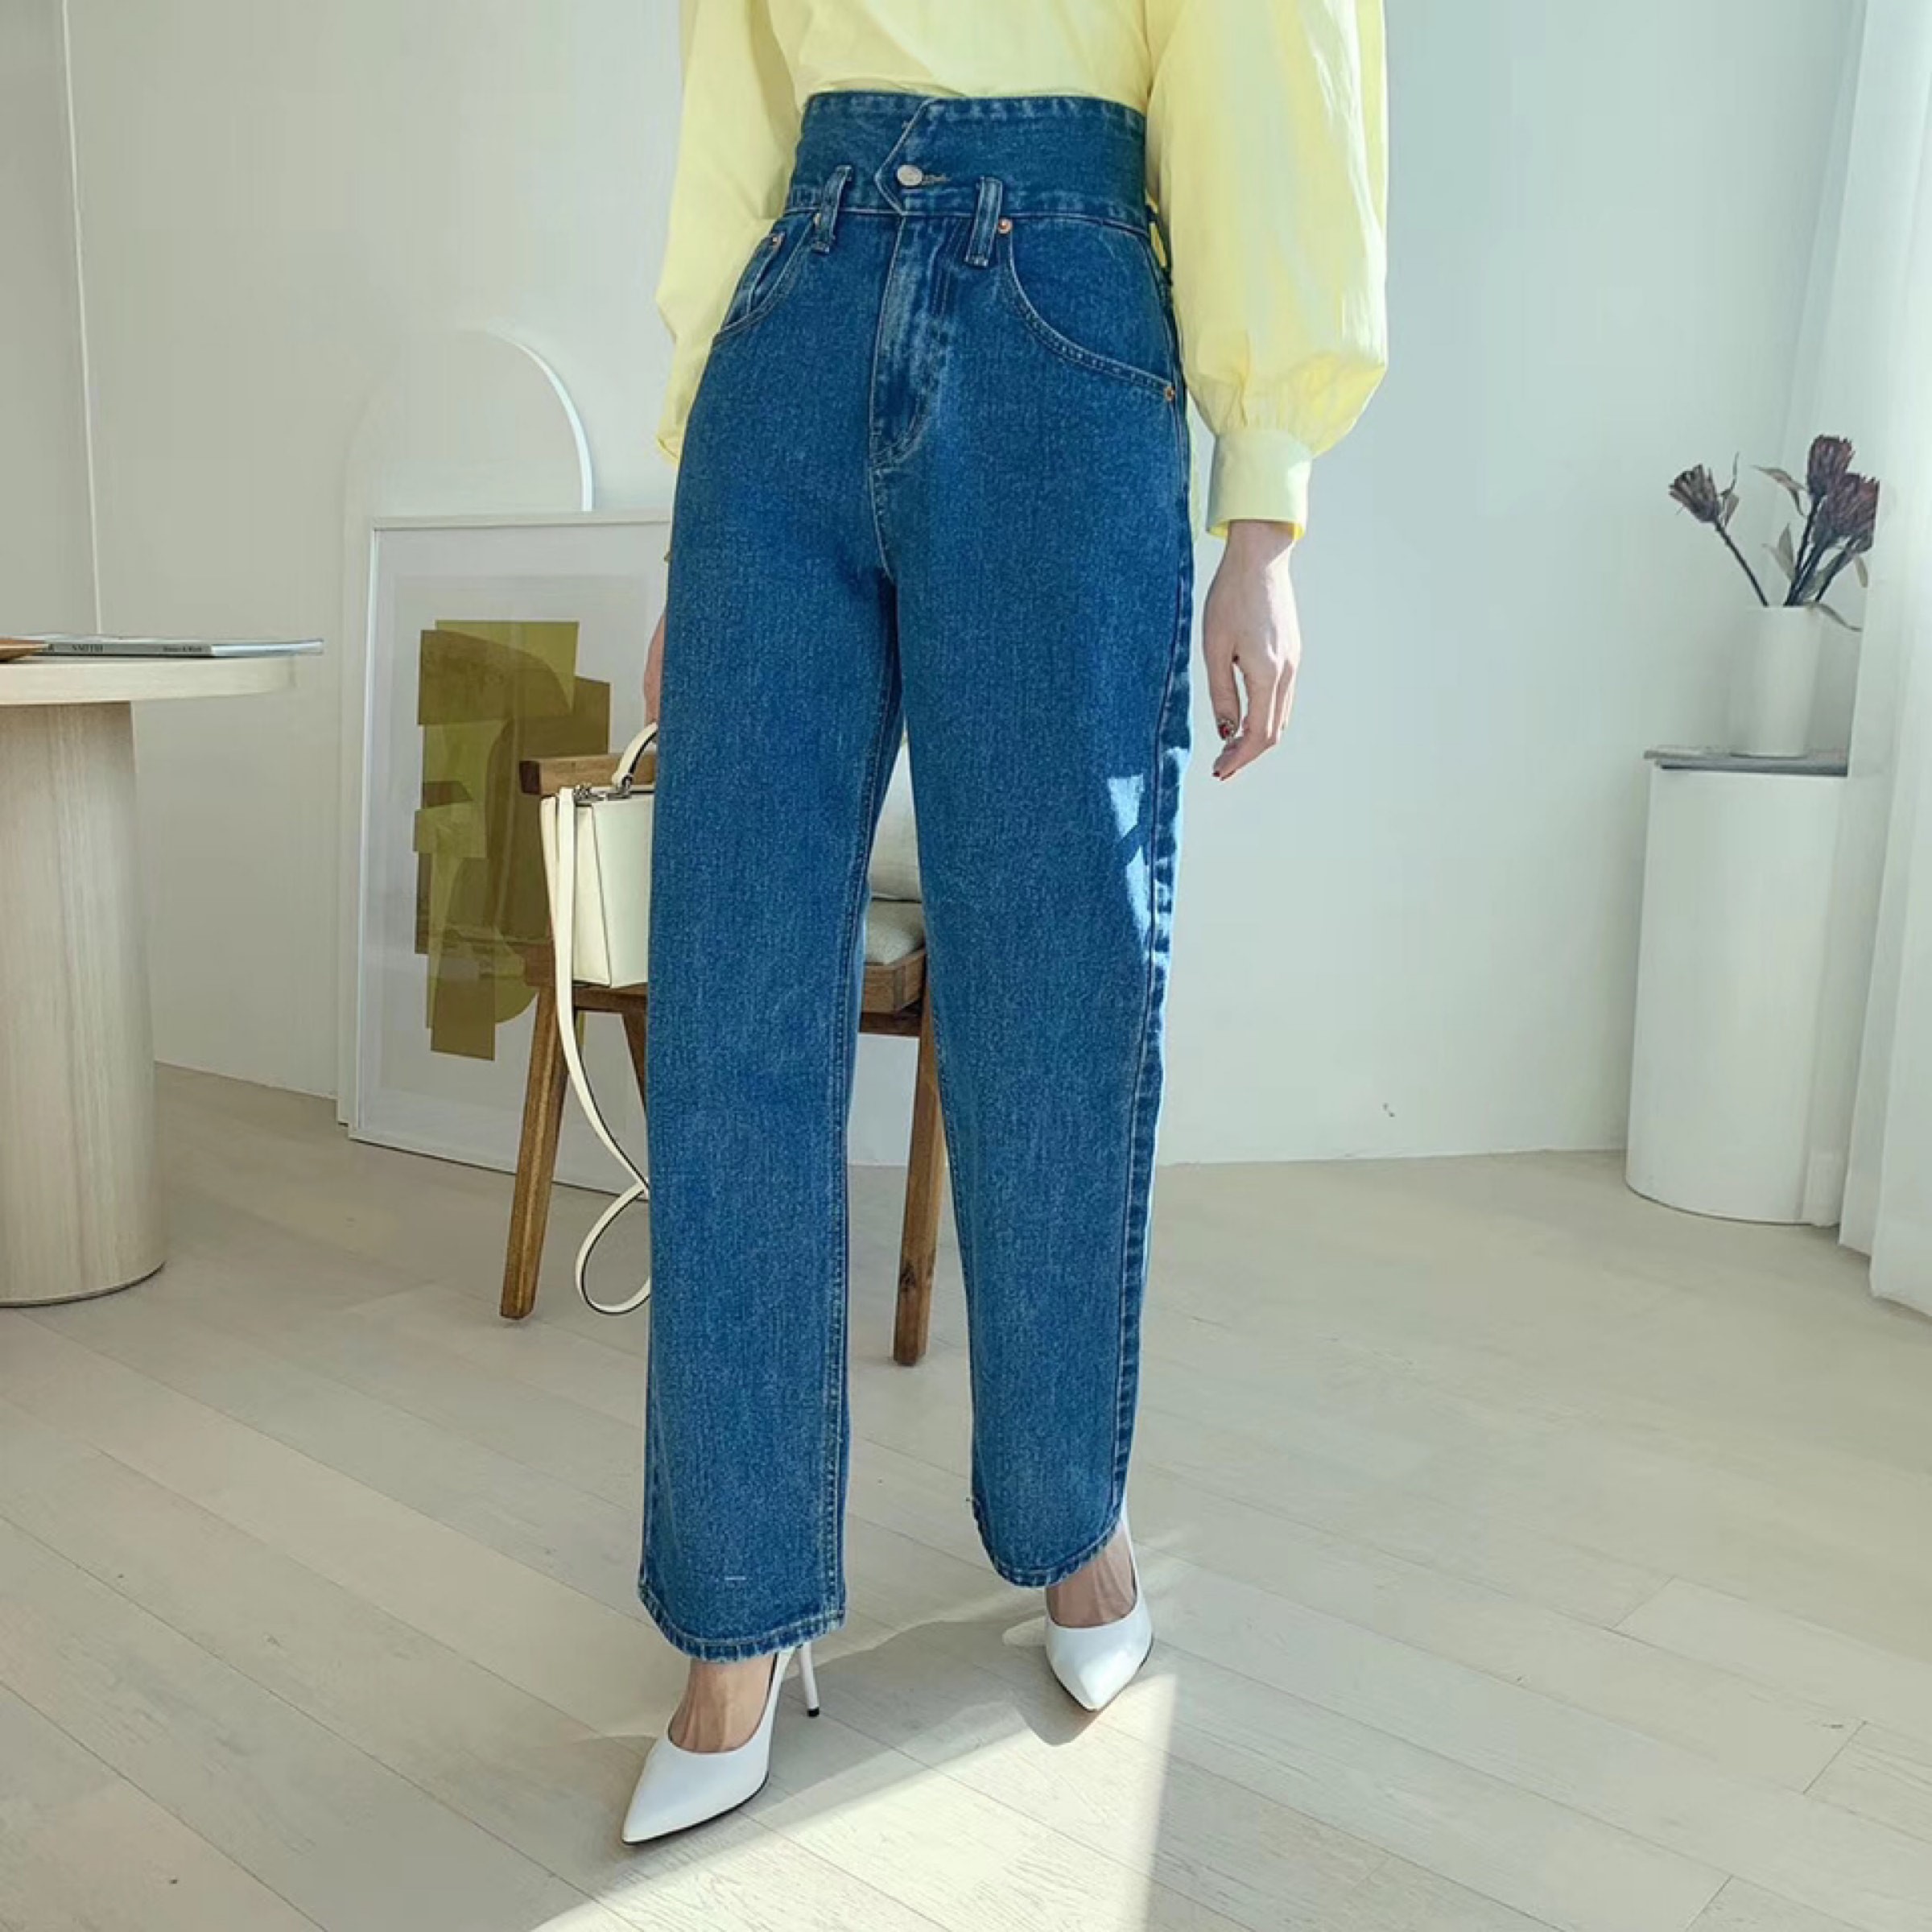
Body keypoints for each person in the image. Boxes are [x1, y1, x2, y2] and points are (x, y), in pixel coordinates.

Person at [623, 0, 1387, 1843]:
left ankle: (1069, 1517)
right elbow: (732, 99)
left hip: (1068, 300)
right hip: (790, 314)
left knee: (1055, 987)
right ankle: (736, 1611)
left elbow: (1268, 50)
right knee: (729, 988)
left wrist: (1265, 508)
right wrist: (683, 516)